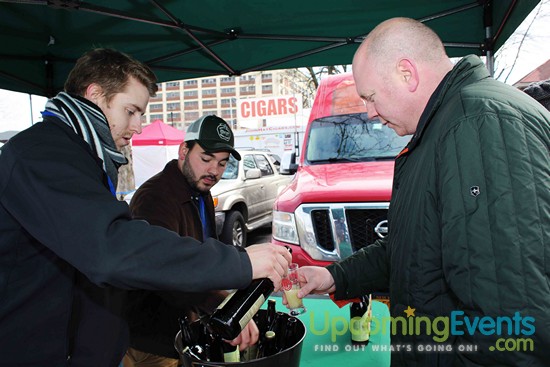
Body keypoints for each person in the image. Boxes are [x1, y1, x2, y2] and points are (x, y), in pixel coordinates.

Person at [0, 48, 291, 366]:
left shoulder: (81, 159)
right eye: (131, 111)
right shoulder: (41, 153)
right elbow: (112, 247)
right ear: (95, 94)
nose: (138, 127)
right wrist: (239, 263)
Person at [294, 18, 550, 366]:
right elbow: (414, 247)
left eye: (370, 97)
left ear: (406, 73)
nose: (369, 113)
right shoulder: (445, 128)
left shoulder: (477, 126)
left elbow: (512, 327)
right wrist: (335, 275)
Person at [123, 115, 256, 367]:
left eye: (222, 163)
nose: (213, 171)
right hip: (150, 342)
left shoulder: (200, 190)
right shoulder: (154, 198)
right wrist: (219, 302)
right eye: (206, 159)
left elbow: (207, 251)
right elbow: (164, 270)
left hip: (182, 331)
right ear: (183, 150)